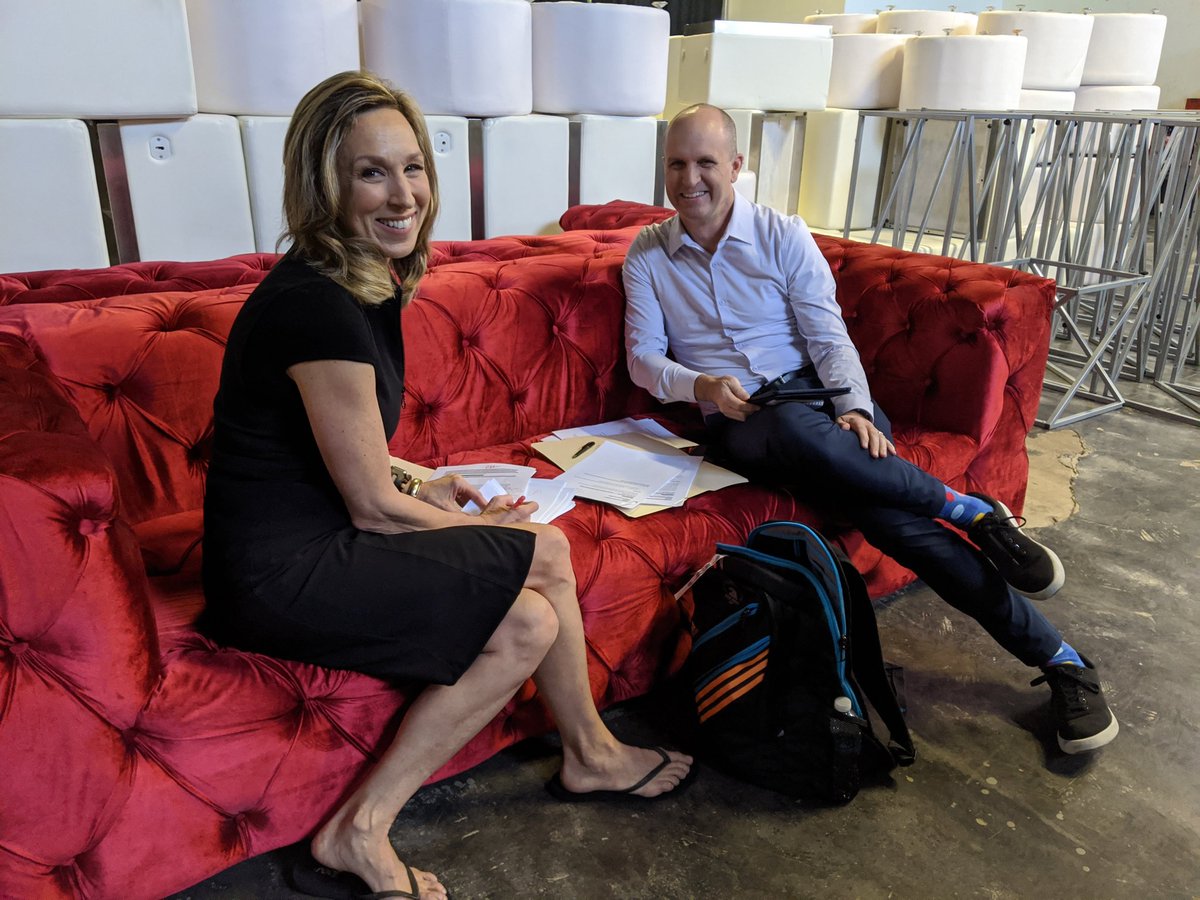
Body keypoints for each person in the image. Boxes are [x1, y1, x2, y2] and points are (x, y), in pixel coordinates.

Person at [200, 71, 692, 900]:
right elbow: (369, 506)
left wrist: (423, 488)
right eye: (372, 173)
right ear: (325, 186)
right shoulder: (316, 307)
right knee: (545, 551)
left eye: (414, 167)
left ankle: (383, 817)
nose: (404, 196)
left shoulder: (365, 281)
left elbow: (339, 461)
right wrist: (477, 527)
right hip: (278, 574)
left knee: (528, 618)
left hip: (319, 533)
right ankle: (582, 756)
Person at [622, 103, 1118, 759]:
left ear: (736, 166)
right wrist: (701, 386)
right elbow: (643, 359)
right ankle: (969, 510)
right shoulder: (648, 255)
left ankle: (1063, 661)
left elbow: (827, 335)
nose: (690, 180)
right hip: (743, 423)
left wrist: (855, 407)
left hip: (820, 398)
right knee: (789, 430)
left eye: (705, 162)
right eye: (677, 164)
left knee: (898, 526)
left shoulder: (782, 235)